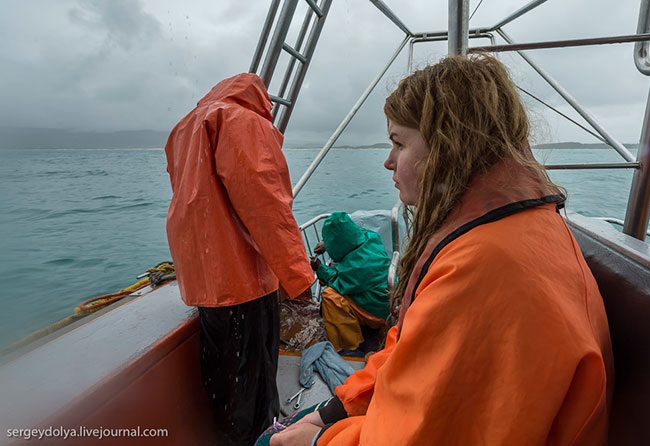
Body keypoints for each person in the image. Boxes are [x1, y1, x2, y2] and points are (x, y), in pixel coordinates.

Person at [267, 54, 614, 445]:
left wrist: (318, 441)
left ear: (448, 146)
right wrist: (336, 409)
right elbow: (411, 349)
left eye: (399, 143)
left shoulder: (483, 270)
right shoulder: (516, 228)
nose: (388, 161)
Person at [164, 73, 314, 445]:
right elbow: (265, 204)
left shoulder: (185, 127)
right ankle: (258, 436)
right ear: (262, 99)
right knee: (253, 372)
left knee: (220, 367)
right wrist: (299, 277)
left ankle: (226, 431)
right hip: (242, 276)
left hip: (201, 274)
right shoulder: (243, 122)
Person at [309, 212, 390, 352]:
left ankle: (349, 347)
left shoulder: (358, 266)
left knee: (330, 296)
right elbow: (350, 237)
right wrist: (327, 244)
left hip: (377, 310)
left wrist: (320, 268)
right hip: (386, 300)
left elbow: (338, 281)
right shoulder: (371, 238)